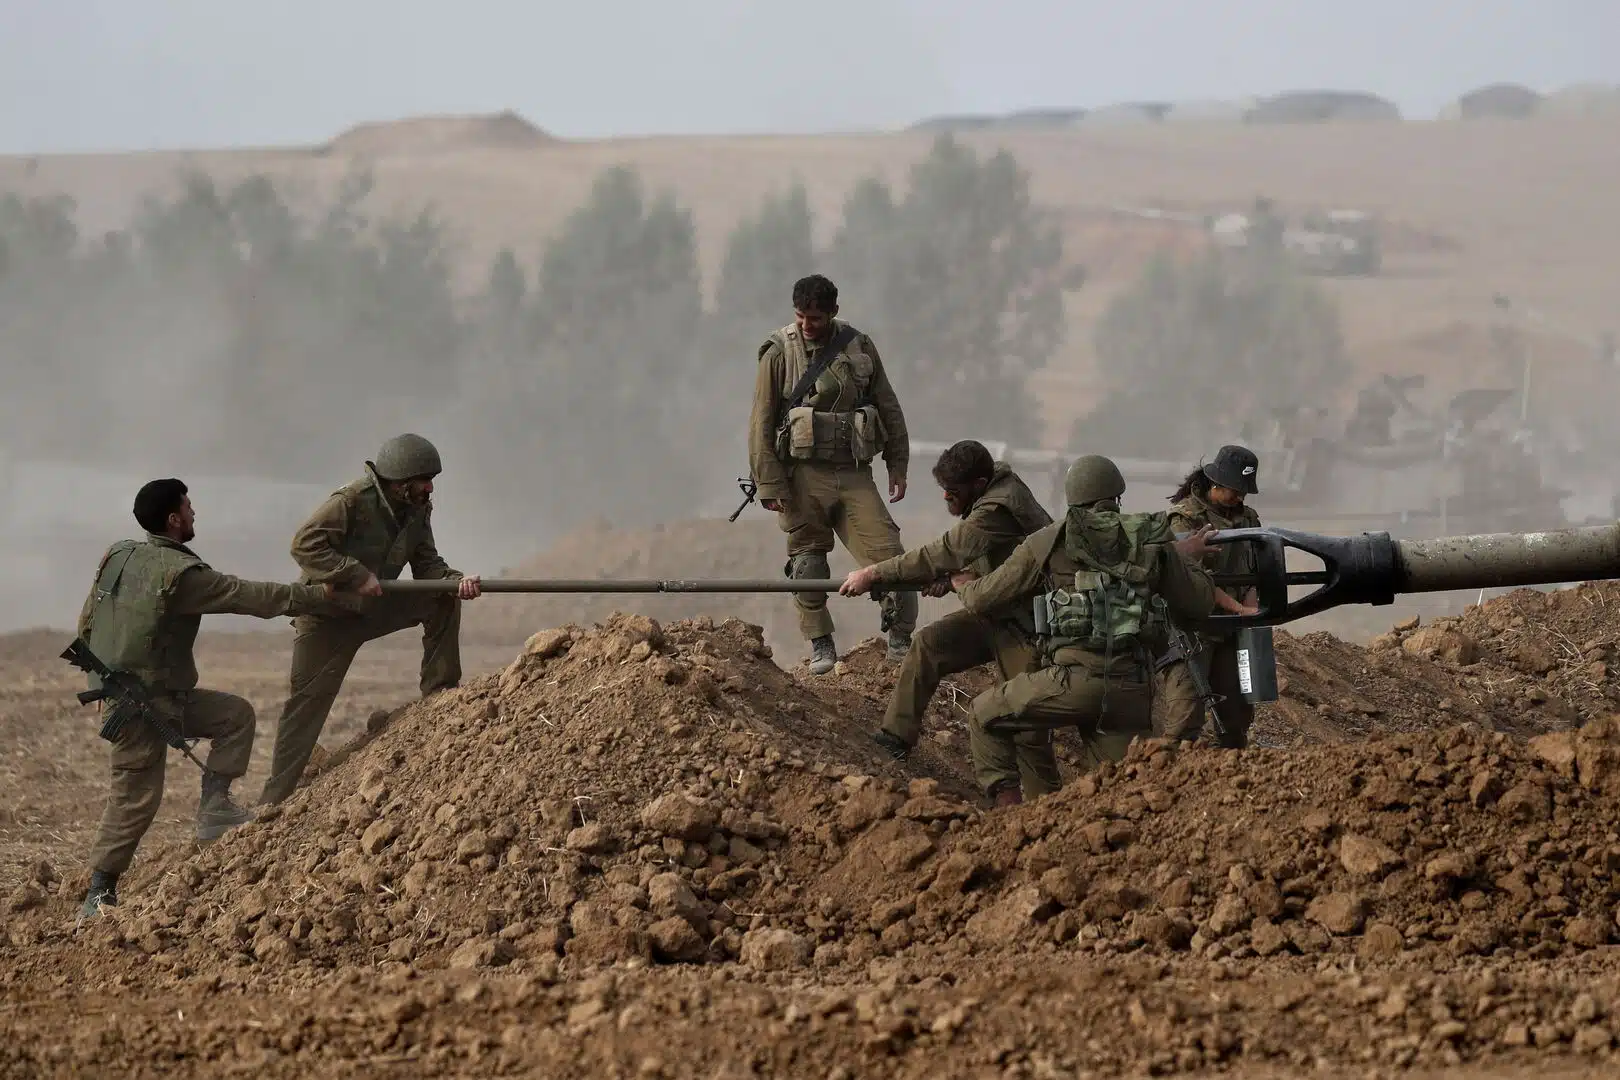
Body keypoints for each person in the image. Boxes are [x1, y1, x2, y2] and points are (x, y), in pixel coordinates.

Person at [77, 479, 341, 917]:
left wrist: (97, 680)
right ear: (173, 519)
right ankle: (99, 893)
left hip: (162, 697)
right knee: (136, 797)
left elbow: (88, 617)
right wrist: (317, 596)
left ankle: (215, 809)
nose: (195, 513)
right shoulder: (180, 577)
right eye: (189, 507)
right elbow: (247, 595)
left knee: (234, 716)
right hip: (138, 706)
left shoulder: (119, 557)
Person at [949, 455, 1250, 806]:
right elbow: (1197, 604)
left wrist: (961, 582)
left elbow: (981, 598)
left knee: (986, 714)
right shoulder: (1152, 538)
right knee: (1122, 796)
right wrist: (1182, 557)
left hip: (1072, 682)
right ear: (1117, 496)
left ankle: (1009, 821)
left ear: (1072, 497)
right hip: (1131, 691)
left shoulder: (1047, 542)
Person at [257, 434, 482, 806]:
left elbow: (427, 564)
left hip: (375, 606)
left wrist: (455, 581)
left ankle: (440, 696)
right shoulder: (350, 502)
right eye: (424, 480)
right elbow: (304, 544)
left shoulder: (417, 509)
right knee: (305, 708)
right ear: (400, 481)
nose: (430, 488)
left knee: (441, 598)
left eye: (432, 481)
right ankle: (272, 803)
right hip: (328, 615)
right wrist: (353, 573)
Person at [838, 440, 1063, 799]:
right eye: (944, 490)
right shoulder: (995, 489)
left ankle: (1046, 809)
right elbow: (993, 554)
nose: (946, 499)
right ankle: (894, 739)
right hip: (997, 612)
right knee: (930, 644)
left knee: (1025, 725)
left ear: (977, 484)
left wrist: (874, 574)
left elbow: (944, 550)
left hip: (1028, 627)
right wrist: (962, 573)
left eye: (953, 492)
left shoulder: (998, 506)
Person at [748, 274, 916, 675]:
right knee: (807, 562)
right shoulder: (778, 353)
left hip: (855, 473)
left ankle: (900, 640)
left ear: (834, 312)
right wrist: (770, 483)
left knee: (892, 559)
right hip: (802, 476)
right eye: (801, 316)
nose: (808, 325)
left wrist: (898, 462)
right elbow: (761, 421)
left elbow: (887, 405)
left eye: (817, 318)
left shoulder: (859, 346)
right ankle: (821, 642)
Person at [1155, 445, 1263, 748]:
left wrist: (1250, 607)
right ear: (1215, 484)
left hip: (1232, 630)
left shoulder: (1248, 519)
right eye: (1234, 490)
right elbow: (1192, 579)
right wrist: (1239, 607)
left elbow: (1254, 569)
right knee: (1184, 718)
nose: (1239, 498)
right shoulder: (1185, 519)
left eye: (1244, 491)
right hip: (1193, 630)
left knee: (1236, 718)